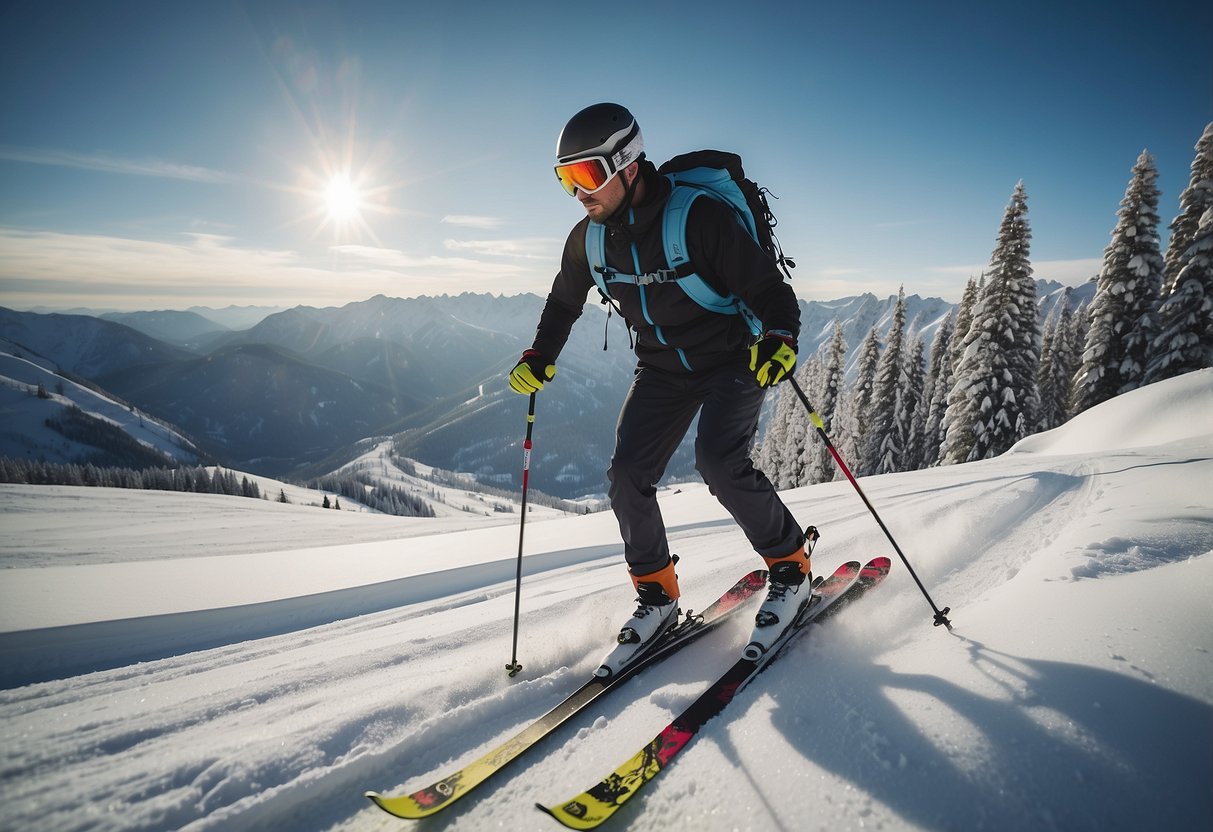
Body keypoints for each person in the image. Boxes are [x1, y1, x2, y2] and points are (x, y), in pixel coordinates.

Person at [509, 102, 811, 664]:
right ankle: (657, 593)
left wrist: (780, 337)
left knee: (719, 461)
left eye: (588, 175)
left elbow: (769, 290)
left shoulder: (698, 218)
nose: (579, 192)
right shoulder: (589, 240)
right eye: (565, 179)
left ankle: (791, 568)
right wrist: (540, 355)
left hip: (733, 357)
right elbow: (562, 302)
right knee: (627, 474)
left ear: (627, 164)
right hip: (662, 367)